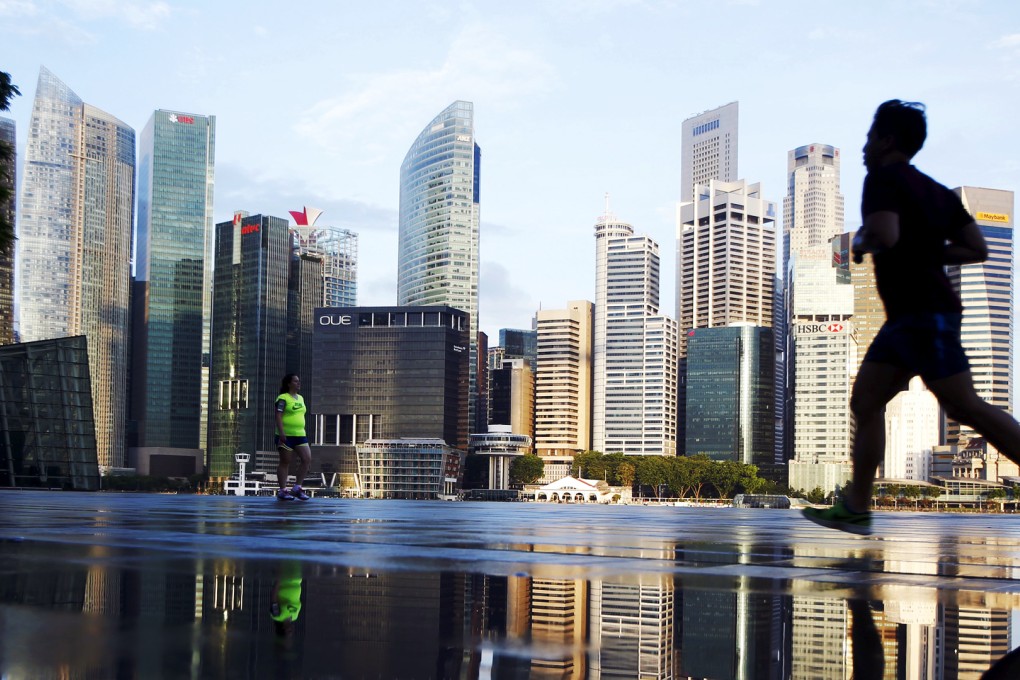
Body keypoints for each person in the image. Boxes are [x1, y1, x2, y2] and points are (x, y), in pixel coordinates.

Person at [804, 99, 1020, 535]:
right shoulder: (936, 192)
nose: (864, 145)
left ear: (886, 140)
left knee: (966, 407)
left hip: (922, 315)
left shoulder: (882, 178)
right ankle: (857, 507)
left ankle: (857, 507)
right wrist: (927, 252)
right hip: (908, 319)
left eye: (869, 136)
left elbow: (885, 233)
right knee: (865, 400)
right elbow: (976, 249)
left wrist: (862, 241)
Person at [275, 374, 311, 501]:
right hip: (286, 435)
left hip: (300, 435)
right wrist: (281, 433)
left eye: (299, 381)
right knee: (285, 462)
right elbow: (278, 415)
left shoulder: (300, 398)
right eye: (295, 381)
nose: (298, 383)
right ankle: (283, 490)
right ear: (289, 384)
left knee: (306, 459)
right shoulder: (283, 398)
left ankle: (297, 488)